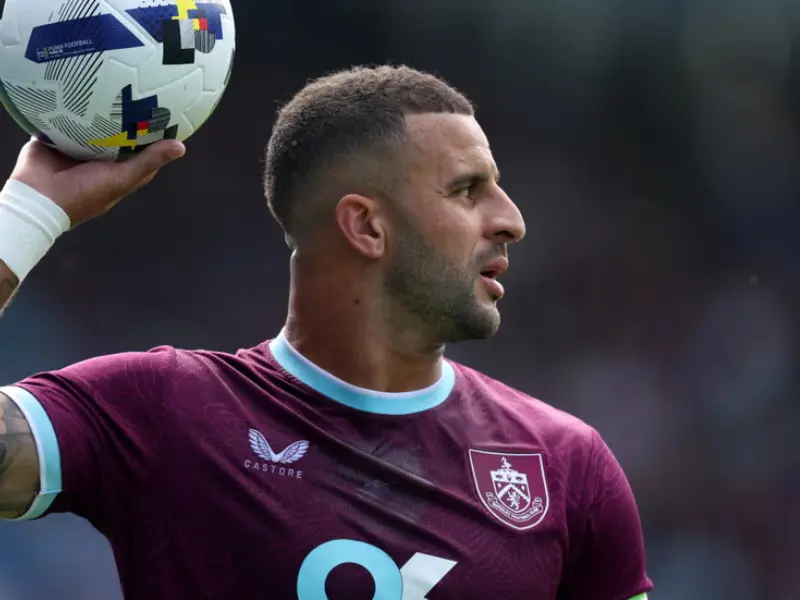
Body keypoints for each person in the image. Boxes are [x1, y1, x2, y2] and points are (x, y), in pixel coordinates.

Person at [0, 65, 653, 600]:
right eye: (467, 190)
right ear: (365, 226)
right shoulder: (165, 410)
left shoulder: (565, 465)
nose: (511, 219)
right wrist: (28, 212)